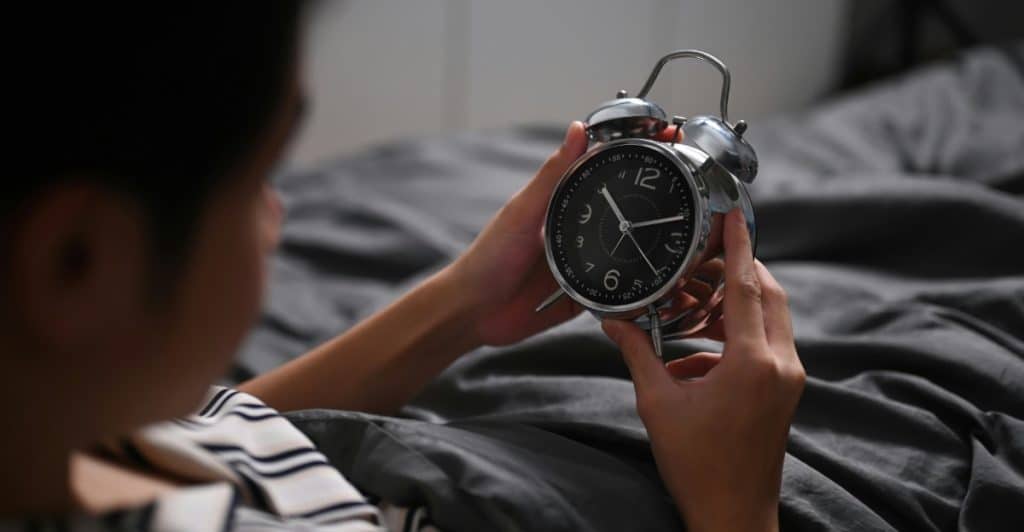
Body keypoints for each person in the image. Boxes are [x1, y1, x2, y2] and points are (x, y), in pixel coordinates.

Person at [2, 3, 804, 531]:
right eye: (259, 178)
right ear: (77, 263)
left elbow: (174, 448)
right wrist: (740, 507)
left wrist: (461, 305)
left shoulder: (44, 448)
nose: (279, 215)